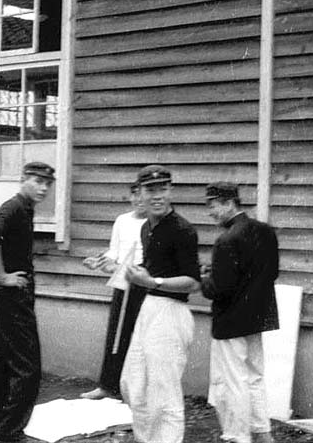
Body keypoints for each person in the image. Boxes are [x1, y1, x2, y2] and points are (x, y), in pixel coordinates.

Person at [120, 164, 200, 443]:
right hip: (149, 308)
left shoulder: (183, 230)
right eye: (150, 190)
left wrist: (153, 282)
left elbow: (193, 282)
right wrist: (121, 269)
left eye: (162, 189)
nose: (157, 196)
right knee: (134, 383)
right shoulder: (146, 228)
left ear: (171, 191)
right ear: (140, 193)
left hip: (171, 313)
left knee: (164, 392)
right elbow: (150, 268)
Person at [0, 161, 55, 443]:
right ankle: (10, 433)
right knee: (28, 368)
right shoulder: (13, 207)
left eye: (47, 184)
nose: (43, 188)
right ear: (23, 179)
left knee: (3, 362)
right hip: (12, 296)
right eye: (37, 181)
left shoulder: (25, 209)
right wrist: (2, 276)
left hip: (13, 296)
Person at [201, 182, 279, 443]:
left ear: (228, 203)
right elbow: (271, 273)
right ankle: (262, 433)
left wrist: (203, 279)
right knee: (254, 377)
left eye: (213, 205)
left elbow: (219, 289)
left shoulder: (226, 240)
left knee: (233, 381)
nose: (210, 212)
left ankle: (237, 436)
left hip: (230, 321)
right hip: (257, 318)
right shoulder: (265, 231)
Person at [80, 179, 146, 400]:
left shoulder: (154, 223)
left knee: (141, 338)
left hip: (145, 283)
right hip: (122, 283)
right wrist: (98, 262)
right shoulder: (122, 221)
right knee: (116, 335)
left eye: (142, 194)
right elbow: (114, 252)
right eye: (134, 194)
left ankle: (135, 391)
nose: (139, 199)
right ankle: (108, 386)